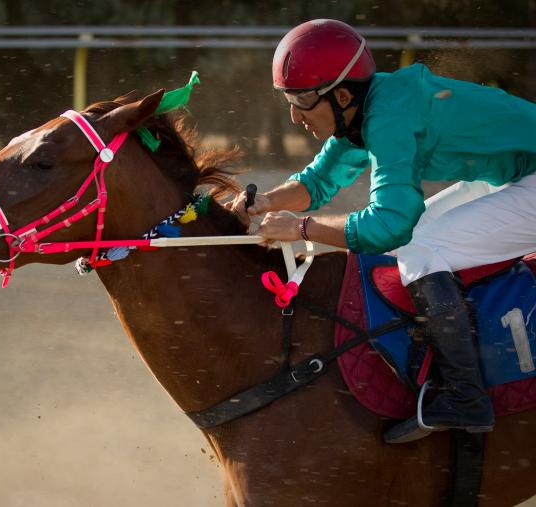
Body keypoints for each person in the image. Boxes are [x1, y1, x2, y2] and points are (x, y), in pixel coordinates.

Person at [228, 19, 536, 444]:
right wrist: (268, 201)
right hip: (515, 175)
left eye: (302, 100)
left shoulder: (388, 116)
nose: (294, 117)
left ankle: (466, 396)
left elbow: (389, 227)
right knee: (417, 245)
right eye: (288, 100)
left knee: (419, 248)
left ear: (340, 94)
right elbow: (317, 182)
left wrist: (301, 228)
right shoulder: (365, 104)